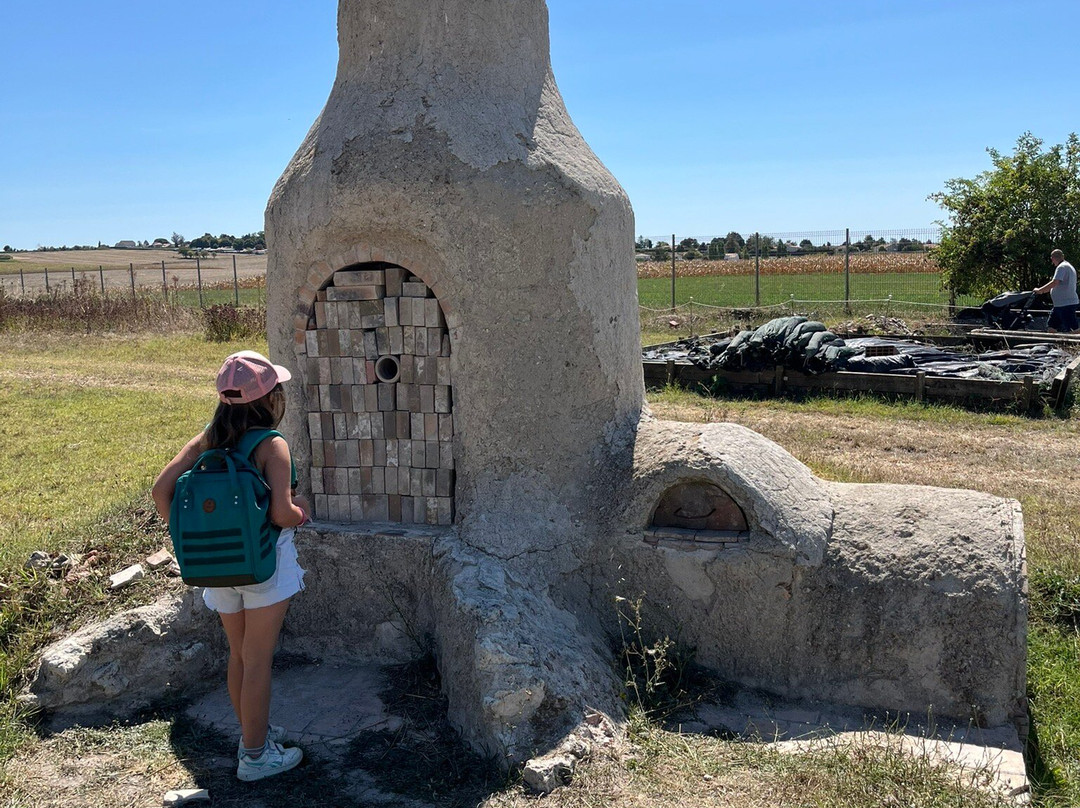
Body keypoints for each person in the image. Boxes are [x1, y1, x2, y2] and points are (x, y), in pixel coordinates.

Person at [152, 350, 309, 782]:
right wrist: (302, 512)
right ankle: (256, 757)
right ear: (270, 398)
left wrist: (192, 536)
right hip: (263, 565)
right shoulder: (272, 445)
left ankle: (252, 734)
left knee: (239, 655)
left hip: (217, 566)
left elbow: (161, 491)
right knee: (258, 661)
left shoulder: (208, 439)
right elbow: (281, 514)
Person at [1034, 249, 1080, 333]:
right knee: (1051, 327)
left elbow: (1055, 282)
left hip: (1066, 304)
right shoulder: (1068, 266)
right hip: (1059, 304)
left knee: (1073, 330)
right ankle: (1054, 341)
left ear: (1052, 258)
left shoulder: (1062, 267)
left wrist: (1040, 290)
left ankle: (1076, 341)